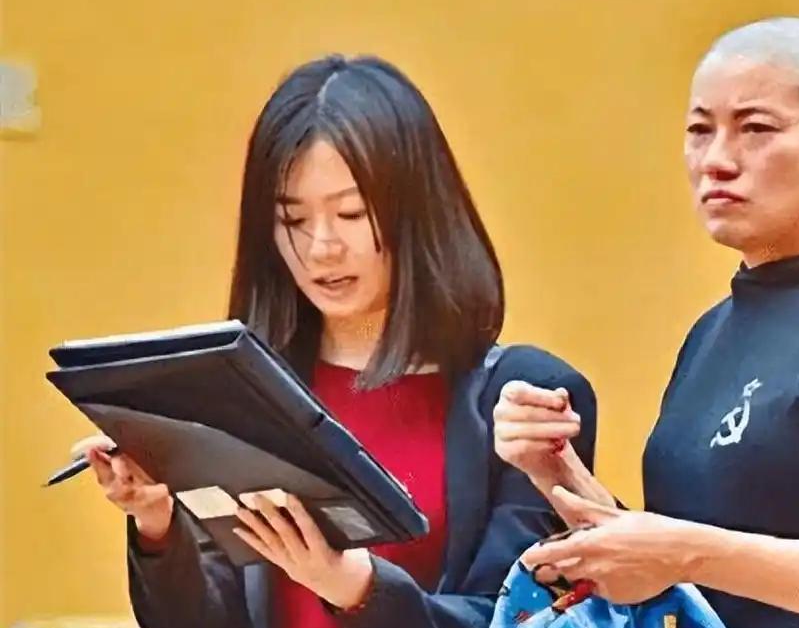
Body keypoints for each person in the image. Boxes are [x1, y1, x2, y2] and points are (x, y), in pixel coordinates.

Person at [494, 17, 799, 628]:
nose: (717, 160)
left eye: (756, 129)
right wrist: (557, 470)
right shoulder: (712, 332)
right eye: (700, 130)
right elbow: (684, 583)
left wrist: (685, 552)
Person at [72, 54, 598, 628]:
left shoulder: (522, 399)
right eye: (293, 220)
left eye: (351, 214)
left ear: (417, 213)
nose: (322, 247)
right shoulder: (241, 393)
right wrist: (157, 521)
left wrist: (354, 585)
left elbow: (518, 615)